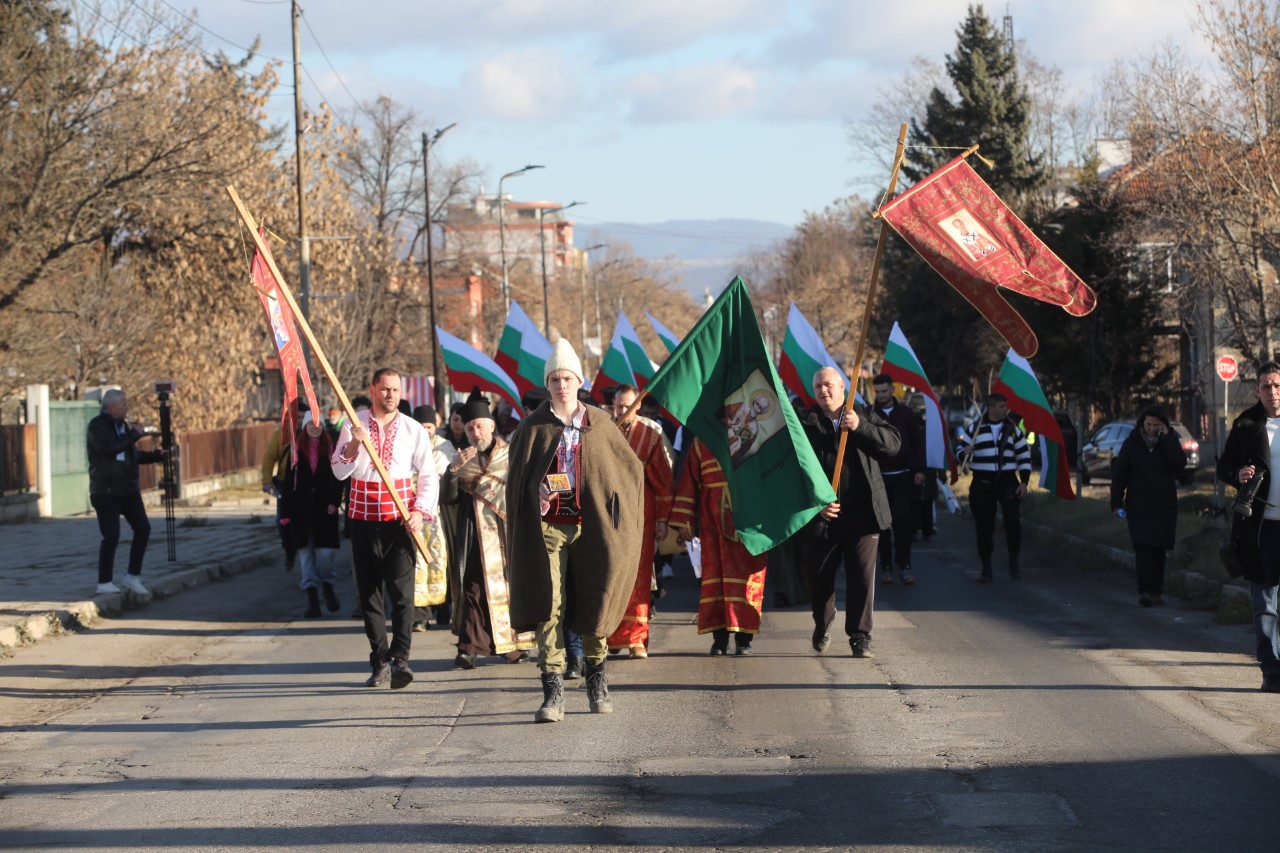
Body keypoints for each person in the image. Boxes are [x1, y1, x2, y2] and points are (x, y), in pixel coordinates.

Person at [505, 339, 644, 723]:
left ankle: (597, 677)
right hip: (548, 527)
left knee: (595, 597)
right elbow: (515, 483)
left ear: (579, 381)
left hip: (594, 526)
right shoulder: (532, 427)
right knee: (550, 604)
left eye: (567, 377)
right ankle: (553, 690)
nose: (561, 384)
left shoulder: (599, 423)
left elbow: (630, 471)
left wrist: (615, 509)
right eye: (554, 378)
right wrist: (537, 490)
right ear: (547, 383)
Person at [331, 368, 439, 690]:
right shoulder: (355, 423)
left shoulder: (413, 429)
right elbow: (338, 471)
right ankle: (379, 661)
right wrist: (353, 444)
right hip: (363, 520)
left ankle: (401, 658)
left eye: (395, 389)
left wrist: (420, 512)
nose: (390, 395)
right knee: (370, 596)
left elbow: (429, 475)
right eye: (385, 389)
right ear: (373, 390)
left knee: (402, 595)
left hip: (399, 521)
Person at [797, 367, 900, 659]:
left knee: (862, 578)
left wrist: (860, 427)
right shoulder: (804, 423)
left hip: (863, 516)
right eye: (817, 386)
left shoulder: (863, 415)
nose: (823, 391)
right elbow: (792, 471)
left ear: (843, 386)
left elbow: (893, 445)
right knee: (818, 579)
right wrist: (816, 502)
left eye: (828, 385)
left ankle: (860, 636)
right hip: (822, 517)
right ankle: (822, 622)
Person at [441, 398, 536, 668]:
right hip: (473, 534)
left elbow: (522, 492)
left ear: (492, 426)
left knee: (508, 589)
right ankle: (468, 648)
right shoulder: (462, 458)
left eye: (480, 427)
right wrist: (453, 471)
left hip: (508, 534)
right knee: (472, 590)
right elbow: (447, 498)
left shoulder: (512, 454)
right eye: (470, 429)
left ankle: (512, 647)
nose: (475, 433)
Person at [669, 436, 767, 655]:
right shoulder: (701, 441)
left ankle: (744, 639)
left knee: (746, 581)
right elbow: (688, 482)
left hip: (749, 523)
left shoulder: (757, 435)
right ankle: (719, 638)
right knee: (713, 580)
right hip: (710, 523)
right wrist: (685, 519)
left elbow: (771, 478)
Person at [1218, 362, 1280, 693]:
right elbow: (1223, 466)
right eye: (1267, 386)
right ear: (1257, 390)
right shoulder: (1247, 425)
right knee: (1265, 603)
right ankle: (1271, 669)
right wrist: (1237, 475)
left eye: (1277, 385)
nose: (1273, 392)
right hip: (1261, 528)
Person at [605, 384, 675, 659]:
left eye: (629, 406)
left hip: (641, 514)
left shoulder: (649, 435)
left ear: (638, 406)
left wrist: (662, 519)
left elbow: (663, 481)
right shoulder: (602, 432)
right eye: (619, 406)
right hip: (609, 515)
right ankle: (611, 635)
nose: (623, 411)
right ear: (612, 406)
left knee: (638, 576)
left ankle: (636, 638)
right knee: (611, 574)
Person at [86, 389, 166, 596]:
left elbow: (131, 455)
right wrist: (133, 435)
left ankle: (132, 576)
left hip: (128, 490)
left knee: (143, 528)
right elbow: (109, 449)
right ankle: (104, 582)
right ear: (111, 407)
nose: (127, 407)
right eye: (123, 404)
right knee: (111, 535)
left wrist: (156, 456)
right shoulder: (98, 426)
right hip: (106, 490)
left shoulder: (123, 426)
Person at [1110, 405, 1186, 607]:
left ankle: (1156, 591)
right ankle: (1144, 591)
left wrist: (1167, 439)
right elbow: (1120, 475)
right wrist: (1116, 502)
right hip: (1138, 505)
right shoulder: (1131, 443)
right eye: (1148, 424)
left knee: (1159, 548)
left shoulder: (1167, 442)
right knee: (1143, 547)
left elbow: (1179, 464)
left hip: (1164, 504)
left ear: (1163, 426)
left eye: (1156, 425)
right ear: (1142, 424)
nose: (1151, 428)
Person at [958, 392, 1032, 582]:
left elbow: (1023, 456)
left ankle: (1014, 562)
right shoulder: (975, 428)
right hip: (982, 483)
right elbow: (959, 450)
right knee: (984, 526)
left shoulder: (1014, 430)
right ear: (990, 409)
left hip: (1007, 482)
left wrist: (1024, 481)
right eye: (1001, 406)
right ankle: (986, 567)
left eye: (1006, 406)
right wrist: (964, 452)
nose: (1006, 409)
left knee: (1013, 523)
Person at [280, 413, 343, 617]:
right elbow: (288, 485)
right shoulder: (296, 453)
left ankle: (328, 587)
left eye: (318, 425)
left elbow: (338, 480)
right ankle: (313, 601)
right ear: (304, 427)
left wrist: (335, 501)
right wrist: (286, 513)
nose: (314, 428)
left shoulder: (331, 450)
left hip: (325, 512)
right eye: (310, 425)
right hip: (301, 514)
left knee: (325, 556)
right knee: (306, 560)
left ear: (323, 427)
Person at [871, 374, 927, 584]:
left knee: (903, 522)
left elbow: (917, 443)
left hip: (903, 476)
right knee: (883, 524)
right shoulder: (870, 414)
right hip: (879, 478)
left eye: (885, 390)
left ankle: (905, 565)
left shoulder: (906, 414)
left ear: (892, 389)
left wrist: (920, 469)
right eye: (878, 391)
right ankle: (886, 567)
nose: (881, 395)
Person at [411, 404, 454, 632]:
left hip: (440, 516)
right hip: (415, 514)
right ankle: (420, 616)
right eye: (421, 425)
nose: (425, 430)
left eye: (428, 426)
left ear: (435, 426)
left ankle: (443, 608)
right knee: (417, 563)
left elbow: (453, 477)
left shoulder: (445, 448)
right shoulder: (407, 446)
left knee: (441, 560)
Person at [260, 401, 307, 571]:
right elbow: (269, 458)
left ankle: (306, 553)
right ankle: (289, 550)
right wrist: (266, 482)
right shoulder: (281, 434)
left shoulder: (313, 434)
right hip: (284, 485)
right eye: (297, 417)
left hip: (306, 486)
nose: (300, 420)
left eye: (303, 417)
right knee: (283, 521)